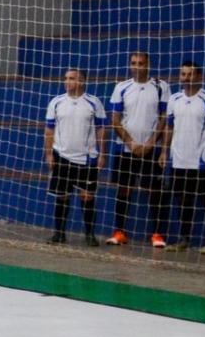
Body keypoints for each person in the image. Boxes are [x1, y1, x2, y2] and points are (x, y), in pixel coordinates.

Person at [106, 51, 168, 247]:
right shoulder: (121, 87)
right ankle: (119, 232)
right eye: (133, 63)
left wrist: (151, 142)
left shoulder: (161, 86)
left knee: (154, 191)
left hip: (152, 149)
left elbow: (165, 117)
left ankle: (157, 234)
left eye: (141, 63)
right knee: (123, 190)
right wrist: (130, 142)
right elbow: (114, 120)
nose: (137, 66)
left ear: (148, 64)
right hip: (125, 149)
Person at [164, 62, 205, 253]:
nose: (186, 78)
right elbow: (169, 127)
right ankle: (184, 239)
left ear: (199, 76)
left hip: (202, 161)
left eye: (190, 74)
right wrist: (164, 152)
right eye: (183, 74)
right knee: (183, 201)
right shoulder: (174, 99)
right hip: (179, 160)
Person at [45, 68, 104, 246]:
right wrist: (49, 153)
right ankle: (59, 234)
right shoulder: (56, 102)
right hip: (61, 155)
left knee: (87, 197)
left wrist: (102, 154)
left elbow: (101, 129)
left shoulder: (93, 103)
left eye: (71, 78)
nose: (67, 81)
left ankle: (90, 234)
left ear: (81, 81)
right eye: (66, 78)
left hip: (87, 158)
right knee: (62, 196)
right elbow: (49, 129)